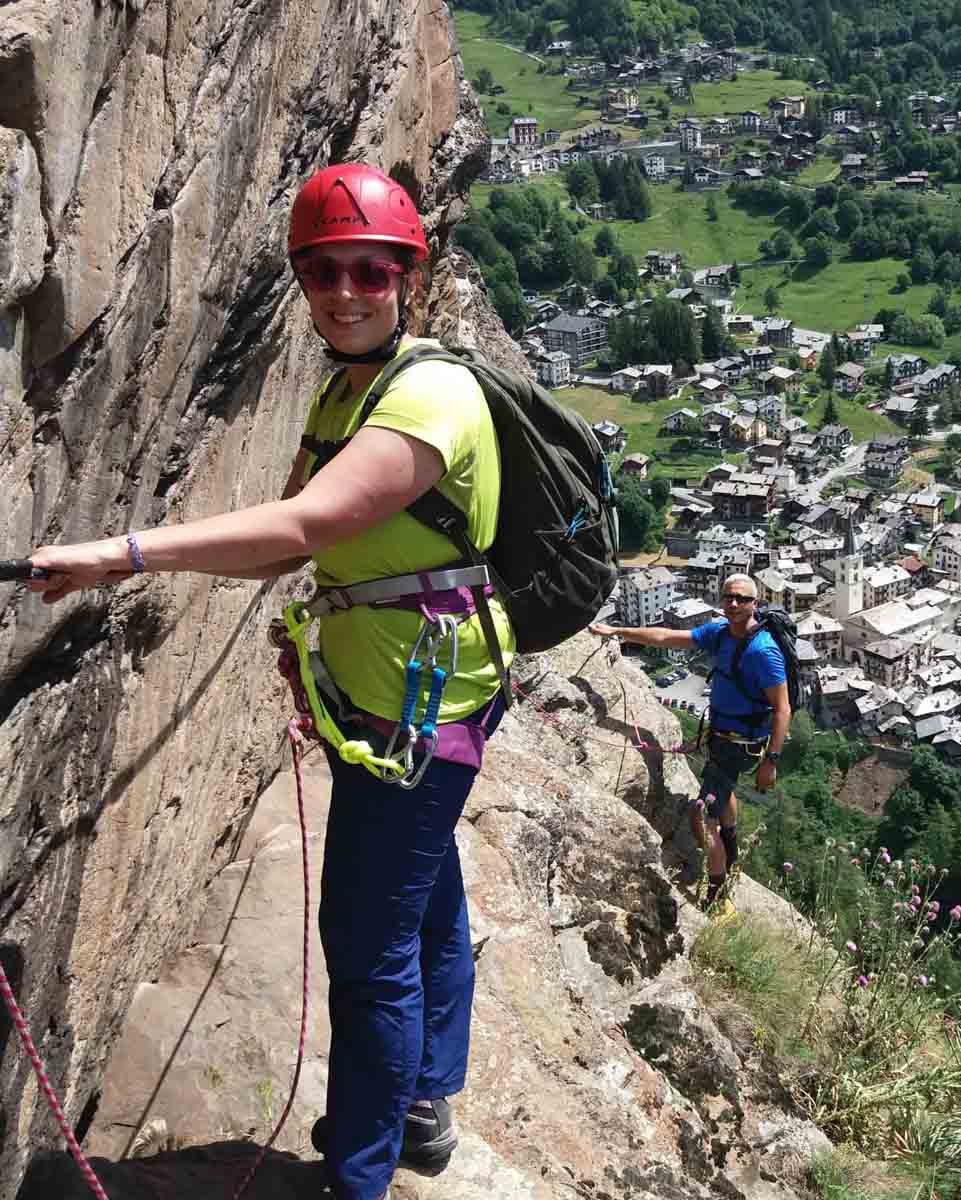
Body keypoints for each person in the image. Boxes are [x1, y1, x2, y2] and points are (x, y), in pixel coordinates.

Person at [27, 163, 515, 1200]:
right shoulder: (354, 388)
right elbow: (285, 553)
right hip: (405, 698)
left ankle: (361, 1173)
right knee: (420, 898)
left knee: (368, 940)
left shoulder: (429, 394)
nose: (346, 289)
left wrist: (118, 554)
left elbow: (301, 526)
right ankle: (424, 1101)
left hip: (415, 713)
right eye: (324, 270)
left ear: (407, 278)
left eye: (371, 270)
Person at [590, 573, 788, 907]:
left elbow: (783, 708)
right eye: (728, 597)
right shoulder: (720, 633)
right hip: (722, 736)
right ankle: (730, 842)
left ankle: (717, 891)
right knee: (722, 794)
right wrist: (619, 631)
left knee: (701, 814)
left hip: (740, 744)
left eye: (742, 599)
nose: (734, 604)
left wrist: (772, 762)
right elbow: (667, 636)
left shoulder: (763, 651)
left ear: (755, 603)